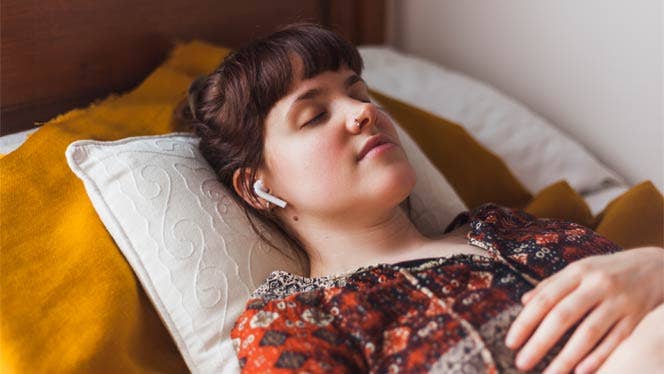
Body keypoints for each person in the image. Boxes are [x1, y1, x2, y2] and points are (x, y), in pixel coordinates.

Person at [178, 22, 664, 373]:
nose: (362, 112)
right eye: (313, 115)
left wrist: (654, 268)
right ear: (258, 187)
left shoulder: (508, 230)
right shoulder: (297, 321)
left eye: (360, 92)